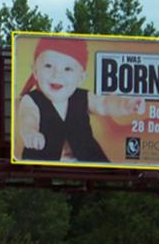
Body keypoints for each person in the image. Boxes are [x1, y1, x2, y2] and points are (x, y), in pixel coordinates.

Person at [16, 37, 144, 162]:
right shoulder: (31, 99)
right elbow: (28, 118)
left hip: (87, 159)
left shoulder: (83, 97)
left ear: (81, 77)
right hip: (43, 160)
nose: (57, 74)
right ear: (35, 72)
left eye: (67, 69)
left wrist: (126, 104)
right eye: (48, 66)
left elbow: (104, 104)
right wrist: (30, 133)